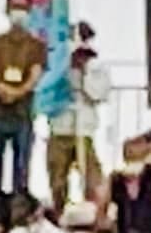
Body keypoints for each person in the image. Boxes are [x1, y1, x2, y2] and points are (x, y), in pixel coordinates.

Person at [0, 0, 47, 198]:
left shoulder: (36, 46)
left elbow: (35, 76)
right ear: (7, 10)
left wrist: (17, 92)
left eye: (23, 8)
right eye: (15, 7)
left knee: (21, 173)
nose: (19, 12)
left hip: (22, 112)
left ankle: (19, 215)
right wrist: (0, 88)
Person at [47, 21, 111, 211]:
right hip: (59, 126)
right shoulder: (57, 63)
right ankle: (60, 213)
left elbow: (98, 94)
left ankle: (95, 212)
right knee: (57, 179)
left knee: (91, 177)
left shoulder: (97, 66)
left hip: (84, 128)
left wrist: (84, 73)